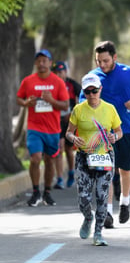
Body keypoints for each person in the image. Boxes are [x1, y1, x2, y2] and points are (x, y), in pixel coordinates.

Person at [82, 41, 130, 228]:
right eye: (98, 61)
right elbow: (82, 99)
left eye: (105, 60)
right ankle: (107, 213)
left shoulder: (129, 72)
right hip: (102, 134)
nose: (102, 65)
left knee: (125, 170)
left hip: (126, 129)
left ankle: (125, 202)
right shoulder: (92, 77)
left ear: (114, 57)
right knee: (107, 172)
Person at [66, 73, 123, 246]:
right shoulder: (78, 109)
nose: (91, 95)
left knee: (102, 195)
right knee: (83, 197)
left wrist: (115, 137)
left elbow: (119, 131)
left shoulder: (110, 109)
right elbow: (68, 132)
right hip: (84, 157)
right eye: (88, 91)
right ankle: (88, 217)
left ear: (100, 90)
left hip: (104, 156)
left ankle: (98, 233)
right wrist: (73, 138)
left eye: (95, 91)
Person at [16, 49, 69, 207]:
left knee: (49, 161)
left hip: (52, 129)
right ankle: (35, 192)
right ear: (35, 63)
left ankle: (47, 192)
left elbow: (65, 105)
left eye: (44, 60)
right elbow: (19, 98)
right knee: (35, 158)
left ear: (50, 63)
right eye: (38, 60)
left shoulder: (58, 82)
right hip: (34, 127)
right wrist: (26, 103)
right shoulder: (28, 81)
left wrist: (52, 100)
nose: (41, 63)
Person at [52, 61, 81, 189]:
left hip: (69, 121)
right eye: (57, 72)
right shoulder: (51, 85)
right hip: (55, 121)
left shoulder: (72, 84)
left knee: (69, 150)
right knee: (59, 149)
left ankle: (70, 172)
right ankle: (59, 178)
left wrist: (75, 114)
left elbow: (82, 98)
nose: (59, 74)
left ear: (65, 72)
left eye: (61, 72)